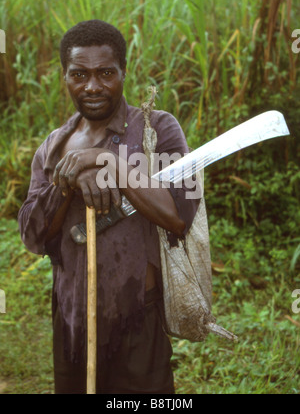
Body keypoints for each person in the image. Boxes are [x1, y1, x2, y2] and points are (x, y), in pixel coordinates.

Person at [18, 19, 199, 394]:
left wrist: (111, 164)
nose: (93, 86)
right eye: (79, 75)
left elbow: (179, 217)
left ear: (123, 73)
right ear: (65, 77)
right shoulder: (55, 145)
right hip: (72, 319)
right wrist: (68, 183)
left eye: (105, 73)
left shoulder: (157, 130)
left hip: (138, 318)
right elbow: (34, 235)